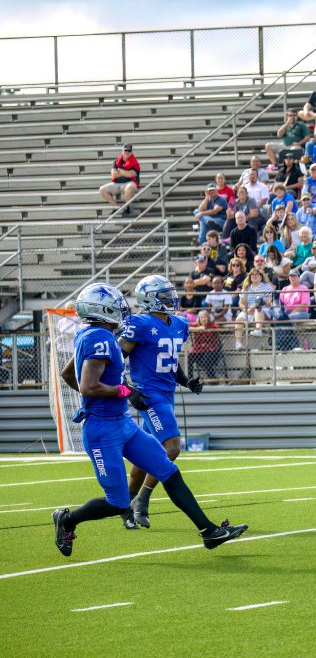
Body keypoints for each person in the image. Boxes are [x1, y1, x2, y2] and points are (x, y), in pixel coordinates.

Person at [52, 284, 247, 557]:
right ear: (101, 309)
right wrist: (121, 391)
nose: (122, 309)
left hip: (122, 422)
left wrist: (102, 398)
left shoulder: (94, 334)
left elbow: (68, 374)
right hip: (103, 431)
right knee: (118, 503)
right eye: (115, 304)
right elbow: (88, 386)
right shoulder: (100, 337)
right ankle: (67, 519)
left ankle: (209, 531)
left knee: (167, 469)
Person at [113, 275, 205, 529]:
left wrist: (186, 381)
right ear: (149, 299)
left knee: (144, 457)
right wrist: (126, 389)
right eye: (164, 296)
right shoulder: (140, 323)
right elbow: (115, 358)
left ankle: (124, 506)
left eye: (170, 294)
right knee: (172, 447)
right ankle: (142, 501)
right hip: (148, 394)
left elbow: (170, 360)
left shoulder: (179, 323)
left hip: (167, 394)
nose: (171, 299)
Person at [100, 143, 139, 213]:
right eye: (125, 150)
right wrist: (125, 172)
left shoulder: (134, 162)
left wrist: (119, 171)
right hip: (117, 183)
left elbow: (131, 174)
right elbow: (113, 174)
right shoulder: (117, 161)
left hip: (130, 183)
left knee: (130, 187)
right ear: (122, 151)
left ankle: (128, 208)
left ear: (131, 152)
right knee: (102, 190)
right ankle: (117, 208)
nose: (127, 152)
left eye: (129, 151)